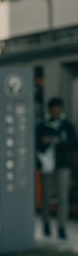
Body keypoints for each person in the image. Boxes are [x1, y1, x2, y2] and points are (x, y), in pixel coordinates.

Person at [37, 96, 77, 240]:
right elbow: (36, 144)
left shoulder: (67, 125)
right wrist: (45, 142)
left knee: (62, 197)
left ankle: (61, 227)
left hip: (62, 164)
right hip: (47, 165)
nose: (56, 112)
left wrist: (61, 142)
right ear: (49, 110)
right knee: (46, 196)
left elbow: (74, 144)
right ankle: (46, 223)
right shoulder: (42, 125)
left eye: (58, 110)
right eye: (54, 110)